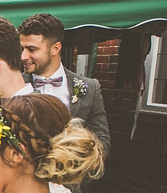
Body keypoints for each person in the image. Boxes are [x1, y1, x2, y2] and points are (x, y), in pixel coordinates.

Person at [18, 14, 111, 157]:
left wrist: (74, 165)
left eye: (31, 49)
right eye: (22, 49)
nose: (23, 56)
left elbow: (102, 141)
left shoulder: (91, 88)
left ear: (55, 48)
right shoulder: (15, 84)